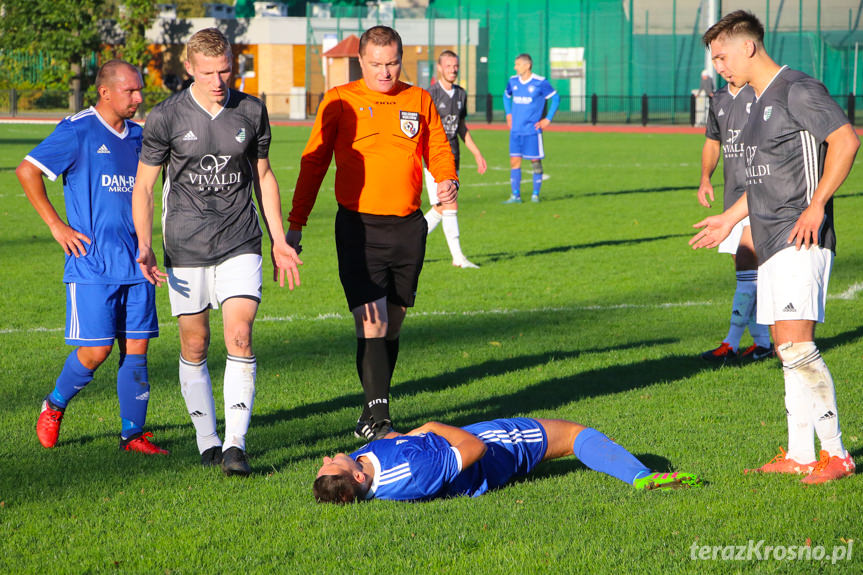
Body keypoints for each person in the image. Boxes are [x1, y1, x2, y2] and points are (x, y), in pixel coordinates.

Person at [691, 11, 859, 484]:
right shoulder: (754, 101)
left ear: (748, 47)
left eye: (722, 55)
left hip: (800, 236)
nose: (719, 65)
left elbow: (846, 141)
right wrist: (729, 217)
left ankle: (837, 455)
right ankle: (802, 453)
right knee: (786, 348)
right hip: (770, 238)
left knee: (798, 347)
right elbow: (768, 179)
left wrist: (817, 206)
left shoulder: (796, 89)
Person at [132, 28, 302, 476]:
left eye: (225, 69)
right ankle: (206, 438)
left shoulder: (251, 110)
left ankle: (235, 446)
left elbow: (263, 177)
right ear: (189, 68)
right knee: (195, 342)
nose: (217, 79)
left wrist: (279, 240)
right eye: (207, 71)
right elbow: (145, 186)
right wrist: (145, 243)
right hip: (184, 244)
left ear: (234, 64)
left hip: (240, 240)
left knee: (240, 336)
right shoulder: (165, 116)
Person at [287, 26, 457, 442]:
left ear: (403, 60)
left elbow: (436, 146)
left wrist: (448, 177)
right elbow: (313, 164)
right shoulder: (340, 100)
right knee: (373, 323)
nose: (385, 72)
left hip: (408, 227)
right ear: (361, 62)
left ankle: (370, 407)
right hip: (358, 228)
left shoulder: (418, 99)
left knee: (392, 324)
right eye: (377, 64)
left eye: (392, 63)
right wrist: (296, 224)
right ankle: (380, 421)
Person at [17, 60, 167, 455]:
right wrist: (57, 226)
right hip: (93, 265)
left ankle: (132, 436)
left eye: (140, 91)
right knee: (96, 350)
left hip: (137, 264)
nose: (138, 98)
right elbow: (27, 170)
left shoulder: (140, 136)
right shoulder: (78, 130)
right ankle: (54, 404)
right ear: (105, 92)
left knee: (137, 350)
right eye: (130, 91)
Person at [313, 417, 703, 503]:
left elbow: (388, 447)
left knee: (570, 438)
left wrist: (403, 436)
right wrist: (430, 427)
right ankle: (640, 476)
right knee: (573, 435)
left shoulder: (363, 470)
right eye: (335, 463)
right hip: (494, 448)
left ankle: (638, 475)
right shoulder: (415, 472)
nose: (330, 456)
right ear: (360, 479)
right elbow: (473, 450)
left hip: (466, 445)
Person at [697, 67, 773, 362]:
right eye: (715, 58)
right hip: (733, 197)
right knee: (746, 272)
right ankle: (762, 341)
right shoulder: (718, 98)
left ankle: (730, 342)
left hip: (761, 190)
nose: (720, 64)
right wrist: (705, 178)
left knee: (747, 263)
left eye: (722, 55)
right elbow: (713, 141)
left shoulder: (760, 92)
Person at [422, 50, 487, 269]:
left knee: (441, 207)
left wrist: (477, 153)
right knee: (449, 203)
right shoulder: (430, 94)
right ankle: (458, 257)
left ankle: (410, 239)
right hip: (434, 158)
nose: (453, 69)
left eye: (455, 66)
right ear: (439, 68)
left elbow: (461, 127)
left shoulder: (461, 94)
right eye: (448, 66)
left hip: (453, 157)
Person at [503, 53, 560, 203]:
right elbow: (505, 96)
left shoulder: (540, 82)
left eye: (518, 64)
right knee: (514, 162)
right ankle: (516, 195)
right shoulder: (513, 81)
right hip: (515, 131)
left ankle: (535, 195)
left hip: (532, 131)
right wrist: (509, 114)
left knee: (535, 162)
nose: (515, 67)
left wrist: (547, 119)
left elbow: (556, 98)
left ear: (527, 66)